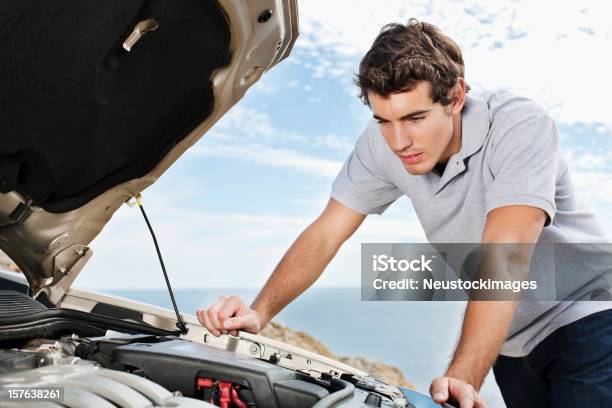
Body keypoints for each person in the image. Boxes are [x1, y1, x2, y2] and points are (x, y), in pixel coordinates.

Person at [196, 19, 612, 408]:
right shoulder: (383, 145)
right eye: (384, 120)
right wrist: (259, 311)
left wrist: (463, 376)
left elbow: (505, 256)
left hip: (589, 319)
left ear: (457, 96)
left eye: (415, 118)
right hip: (510, 343)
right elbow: (326, 232)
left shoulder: (519, 126)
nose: (399, 141)